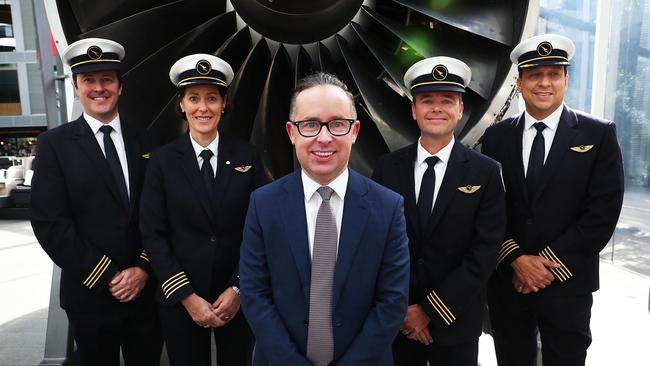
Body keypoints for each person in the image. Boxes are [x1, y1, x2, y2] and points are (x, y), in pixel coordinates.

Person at [239, 72, 410, 366]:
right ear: (291, 133)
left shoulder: (388, 207)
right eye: (309, 124)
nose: (324, 137)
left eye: (338, 124)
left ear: (355, 131)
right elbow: (255, 294)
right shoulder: (263, 204)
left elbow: (392, 302)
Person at [481, 34, 625, 366]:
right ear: (519, 83)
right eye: (534, 75)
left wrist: (544, 265)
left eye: (554, 74)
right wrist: (516, 259)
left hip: (568, 285)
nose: (544, 83)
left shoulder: (597, 134)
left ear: (566, 80)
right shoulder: (496, 137)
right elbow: (489, 210)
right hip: (510, 285)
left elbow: (602, 213)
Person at [30, 38, 162, 366]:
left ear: (120, 86)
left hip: (145, 295)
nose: (98, 88)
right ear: (76, 86)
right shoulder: (54, 146)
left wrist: (143, 269)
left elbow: (160, 214)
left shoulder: (148, 142)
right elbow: (50, 223)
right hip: (89, 295)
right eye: (89, 80)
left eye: (107, 79)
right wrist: (107, 276)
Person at [372, 57, 506, 366]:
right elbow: (375, 243)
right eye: (427, 100)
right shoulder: (387, 168)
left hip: (455, 322)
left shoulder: (486, 173)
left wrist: (429, 311)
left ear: (460, 110)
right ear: (414, 110)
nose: (436, 108)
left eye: (447, 100)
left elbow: (484, 251)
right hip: (398, 323)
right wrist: (403, 310)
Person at [139, 53, 267, 366]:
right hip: (181, 299)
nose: (203, 108)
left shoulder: (247, 157)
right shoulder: (161, 162)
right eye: (193, 98)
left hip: (236, 297)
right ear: (181, 105)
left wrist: (238, 287)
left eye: (212, 98)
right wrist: (186, 296)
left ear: (225, 103)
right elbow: (153, 234)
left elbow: (261, 228)